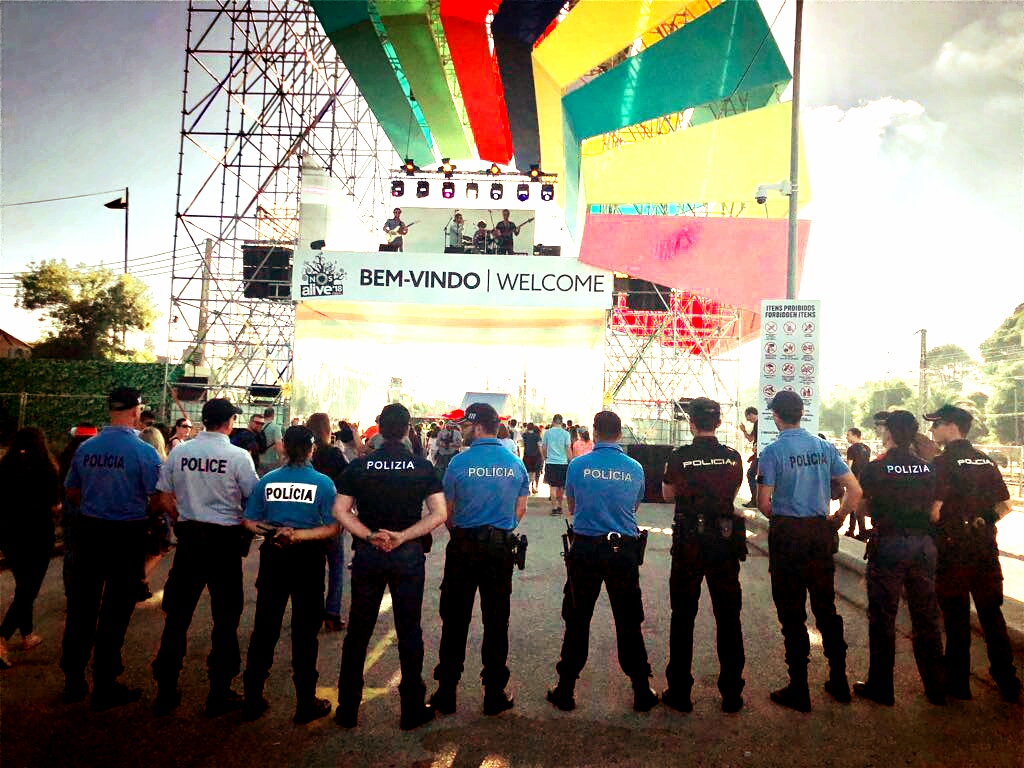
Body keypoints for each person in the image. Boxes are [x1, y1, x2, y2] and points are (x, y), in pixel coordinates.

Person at [333, 403, 447, 730]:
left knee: (358, 631)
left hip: (369, 554)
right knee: (409, 630)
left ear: (380, 427)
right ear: (409, 428)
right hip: (407, 554)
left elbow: (341, 511)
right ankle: (412, 709)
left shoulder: (360, 466)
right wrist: (402, 536)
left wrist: (370, 536)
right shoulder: (421, 467)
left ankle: (347, 708)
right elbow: (439, 513)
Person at [151, 398, 260, 717]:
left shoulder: (181, 452)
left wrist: (181, 518)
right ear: (228, 423)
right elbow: (252, 498)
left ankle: (166, 689)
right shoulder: (238, 457)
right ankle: (219, 691)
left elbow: (163, 496)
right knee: (226, 620)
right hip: (224, 543)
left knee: (177, 618)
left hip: (189, 541)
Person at [757, 390, 862, 712]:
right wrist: (837, 518)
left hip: (789, 535)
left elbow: (763, 504)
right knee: (825, 607)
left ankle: (799, 687)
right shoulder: (824, 447)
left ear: (775, 416)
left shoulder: (772, 452)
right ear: (801, 413)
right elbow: (855, 490)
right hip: (819, 533)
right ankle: (839, 680)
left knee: (791, 612)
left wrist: (785, 520)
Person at [547, 410, 657, 713]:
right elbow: (634, 505)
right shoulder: (635, 468)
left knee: (578, 620)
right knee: (629, 621)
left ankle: (565, 689)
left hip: (585, 550)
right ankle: (641, 690)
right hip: (623, 552)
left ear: (594, 433)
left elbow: (572, 505)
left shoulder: (578, 465)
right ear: (620, 434)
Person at [61, 387, 162, 710]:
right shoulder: (144, 452)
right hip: (127, 534)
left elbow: (73, 491)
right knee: (115, 610)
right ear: (135, 411)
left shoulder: (86, 448)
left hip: (89, 530)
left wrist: (96, 503)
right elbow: (156, 498)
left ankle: (73, 678)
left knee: (81, 606)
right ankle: (105, 680)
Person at [430, 403, 528, 717]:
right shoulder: (515, 464)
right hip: (499, 551)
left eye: (464, 426)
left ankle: (446, 692)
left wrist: (462, 532)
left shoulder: (459, 463)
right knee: (497, 621)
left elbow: (447, 511)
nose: (460, 430)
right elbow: (519, 511)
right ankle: (494, 693)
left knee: (455, 620)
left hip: (463, 549)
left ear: (480, 426)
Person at [242, 426, 341, 724]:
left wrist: (275, 532)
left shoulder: (268, 481)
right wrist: (298, 535)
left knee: (265, 628)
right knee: (305, 633)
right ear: (312, 449)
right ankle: (304, 702)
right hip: (308, 560)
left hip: (274, 556)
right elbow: (333, 528)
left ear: (283, 448)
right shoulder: (323, 484)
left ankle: (252, 698)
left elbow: (249, 521)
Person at [925, 404, 1022, 703]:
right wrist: (982, 521)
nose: (931, 430)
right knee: (992, 615)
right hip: (984, 549)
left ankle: (958, 682)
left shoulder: (942, 463)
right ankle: (1007, 680)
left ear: (951, 426)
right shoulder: (986, 461)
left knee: (955, 618)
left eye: (936, 424)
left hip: (953, 551)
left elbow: (935, 512)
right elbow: (1005, 506)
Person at [853, 410, 945, 707]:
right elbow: (935, 512)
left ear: (888, 433)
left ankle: (882, 687)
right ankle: (936, 687)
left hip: (889, 545)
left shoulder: (876, 468)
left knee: (883, 617)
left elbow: (862, 509)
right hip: (923, 546)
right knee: (927, 617)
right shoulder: (928, 468)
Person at [660, 398, 746, 713]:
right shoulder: (732, 457)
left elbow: (668, 494)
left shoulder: (679, 457)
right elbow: (732, 494)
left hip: (688, 543)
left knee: (683, 616)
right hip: (723, 542)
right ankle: (732, 694)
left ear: (691, 424)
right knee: (728, 617)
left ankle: (680, 691)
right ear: (719, 423)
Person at [0, 428, 59, 668]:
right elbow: (55, 505)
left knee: (24, 584)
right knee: (29, 588)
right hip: (38, 533)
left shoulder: (5, 468)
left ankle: (27, 635)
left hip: (8, 533)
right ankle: (2, 636)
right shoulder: (47, 470)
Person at [306, 412, 349, 633]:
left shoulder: (305, 456)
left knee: (311, 569)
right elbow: (348, 484)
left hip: (307, 521)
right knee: (335, 568)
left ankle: (309, 611)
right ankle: (332, 613)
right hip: (332, 518)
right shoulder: (334, 454)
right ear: (326, 430)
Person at [57, 423, 97, 596]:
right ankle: (85, 590)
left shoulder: (67, 454)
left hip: (69, 504)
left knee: (70, 549)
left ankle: (70, 589)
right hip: (88, 505)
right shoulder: (92, 454)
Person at [139, 426, 172, 602]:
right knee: (159, 549)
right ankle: (140, 579)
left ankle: (141, 582)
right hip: (156, 513)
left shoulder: (135, 459)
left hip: (136, 513)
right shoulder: (162, 464)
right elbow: (163, 495)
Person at [843, 428, 872, 538]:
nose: (847, 437)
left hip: (854, 480)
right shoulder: (867, 448)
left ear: (855, 436)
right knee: (860, 505)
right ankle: (862, 530)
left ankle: (851, 530)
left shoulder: (851, 449)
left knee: (852, 504)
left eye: (848, 435)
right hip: (865, 480)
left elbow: (849, 468)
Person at [542, 414, 572, 515]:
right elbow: (568, 448)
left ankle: (554, 508)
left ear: (553, 421)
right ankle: (560, 506)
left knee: (553, 487)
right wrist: (570, 460)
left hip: (551, 462)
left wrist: (545, 458)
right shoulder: (566, 434)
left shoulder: (547, 433)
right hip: (563, 463)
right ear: (561, 422)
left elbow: (544, 447)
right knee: (561, 487)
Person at [738, 407, 759, 508]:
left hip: (760, 454)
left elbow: (751, 439)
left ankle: (755, 500)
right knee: (758, 476)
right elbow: (751, 439)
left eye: (748, 417)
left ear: (751, 414)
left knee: (750, 474)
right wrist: (744, 431)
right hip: (758, 454)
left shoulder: (760, 423)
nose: (748, 420)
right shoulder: (757, 424)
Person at [258, 407, 284, 475]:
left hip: (258, 460)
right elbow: (279, 445)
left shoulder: (258, 426)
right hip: (271, 461)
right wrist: (281, 459)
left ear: (264, 415)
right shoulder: (275, 427)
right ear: (273, 415)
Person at [522, 423, 543, 494]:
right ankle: (532, 487)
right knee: (533, 473)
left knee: (527, 473)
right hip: (535, 457)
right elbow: (540, 447)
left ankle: (526, 488)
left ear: (527, 428)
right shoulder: (537, 436)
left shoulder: (524, 435)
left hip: (526, 456)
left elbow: (521, 445)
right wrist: (542, 456)